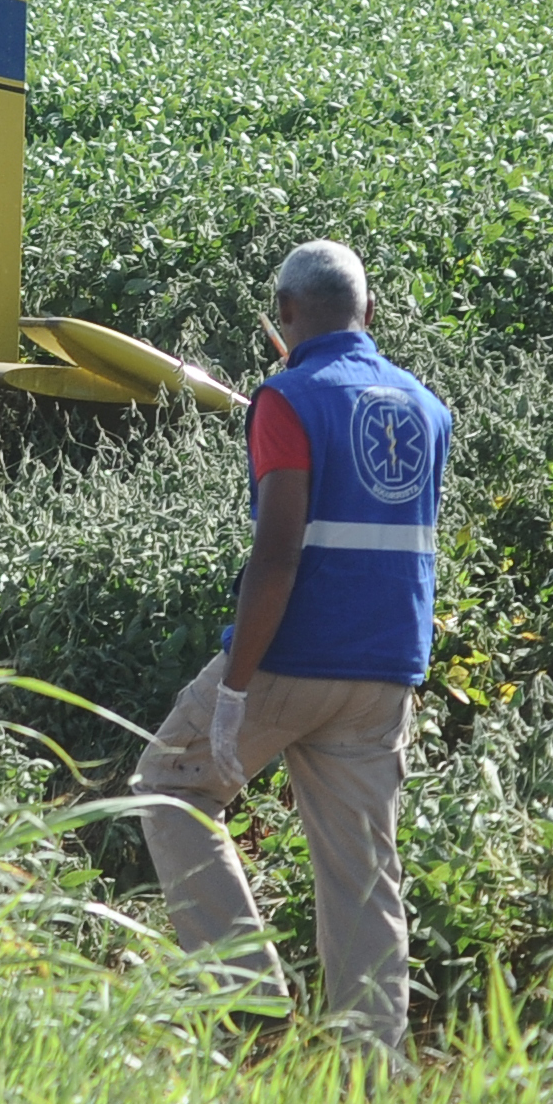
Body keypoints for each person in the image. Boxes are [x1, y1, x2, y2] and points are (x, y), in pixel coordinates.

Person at [130, 240, 449, 1059]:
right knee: (362, 872)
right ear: (369, 314)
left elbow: (277, 556)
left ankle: (248, 1007)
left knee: (170, 784)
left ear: (284, 316)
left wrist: (236, 693)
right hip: (388, 671)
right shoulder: (425, 406)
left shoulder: (288, 399)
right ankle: (370, 1070)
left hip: (294, 658)